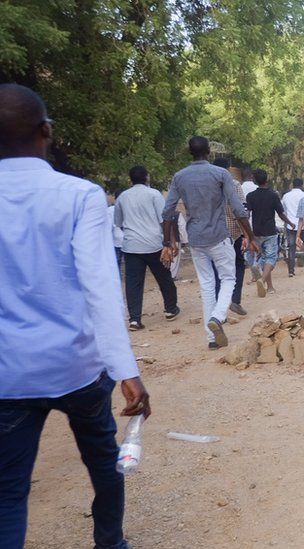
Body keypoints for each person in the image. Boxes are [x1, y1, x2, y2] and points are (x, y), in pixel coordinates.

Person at [0, 83, 152, 549]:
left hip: (8, 375)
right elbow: (101, 288)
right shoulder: (81, 196)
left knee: (7, 493)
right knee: (106, 464)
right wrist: (127, 371)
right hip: (79, 367)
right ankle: (111, 543)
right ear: (46, 131)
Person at [163, 136, 258, 350]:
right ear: (209, 152)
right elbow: (237, 208)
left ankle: (212, 338)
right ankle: (217, 317)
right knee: (228, 278)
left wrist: (166, 242)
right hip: (218, 236)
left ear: (190, 152)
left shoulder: (179, 177)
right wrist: (251, 236)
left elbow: (167, 212)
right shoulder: (220, 173)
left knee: (207, 286)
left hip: (195, 239)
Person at [114, 165, 180, 330]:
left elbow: (118, 222)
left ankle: (134, 319)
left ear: (131, 179)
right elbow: (164, 219)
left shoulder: (122, 197)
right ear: (147, 177)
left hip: (131, 246)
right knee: (164, 277)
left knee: (133, 283)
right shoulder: (154, 194)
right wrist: (170, 241)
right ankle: (170, 309)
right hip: (154, 244)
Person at [245, 169, 293, 297]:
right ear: (267, 179)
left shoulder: (250, 196)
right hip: (270, 232)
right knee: (271, 258)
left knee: (264, 258)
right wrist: (290, 223)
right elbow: (281, 214)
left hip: (256, 232)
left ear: (254, 181)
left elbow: (247, 214)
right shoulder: (273, 195)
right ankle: (262, 280)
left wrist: (247, 233)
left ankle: (270, 286)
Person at [211, 157, 248, 316]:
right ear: (228, 169)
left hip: (214, 233)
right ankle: (235, 300)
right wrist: (247, 234)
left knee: (217, 270)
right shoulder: (234, 185)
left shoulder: (208, 186)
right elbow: (240, 210)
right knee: (238, 265)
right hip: (234, 231)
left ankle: (218, 308)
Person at [281, 177, 304, 278]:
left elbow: (284, 211)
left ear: (292, 185)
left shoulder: (286, 196)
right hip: (303, 225)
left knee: (291, 247)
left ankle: (291, 270)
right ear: (302, 185)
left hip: (290, 225)